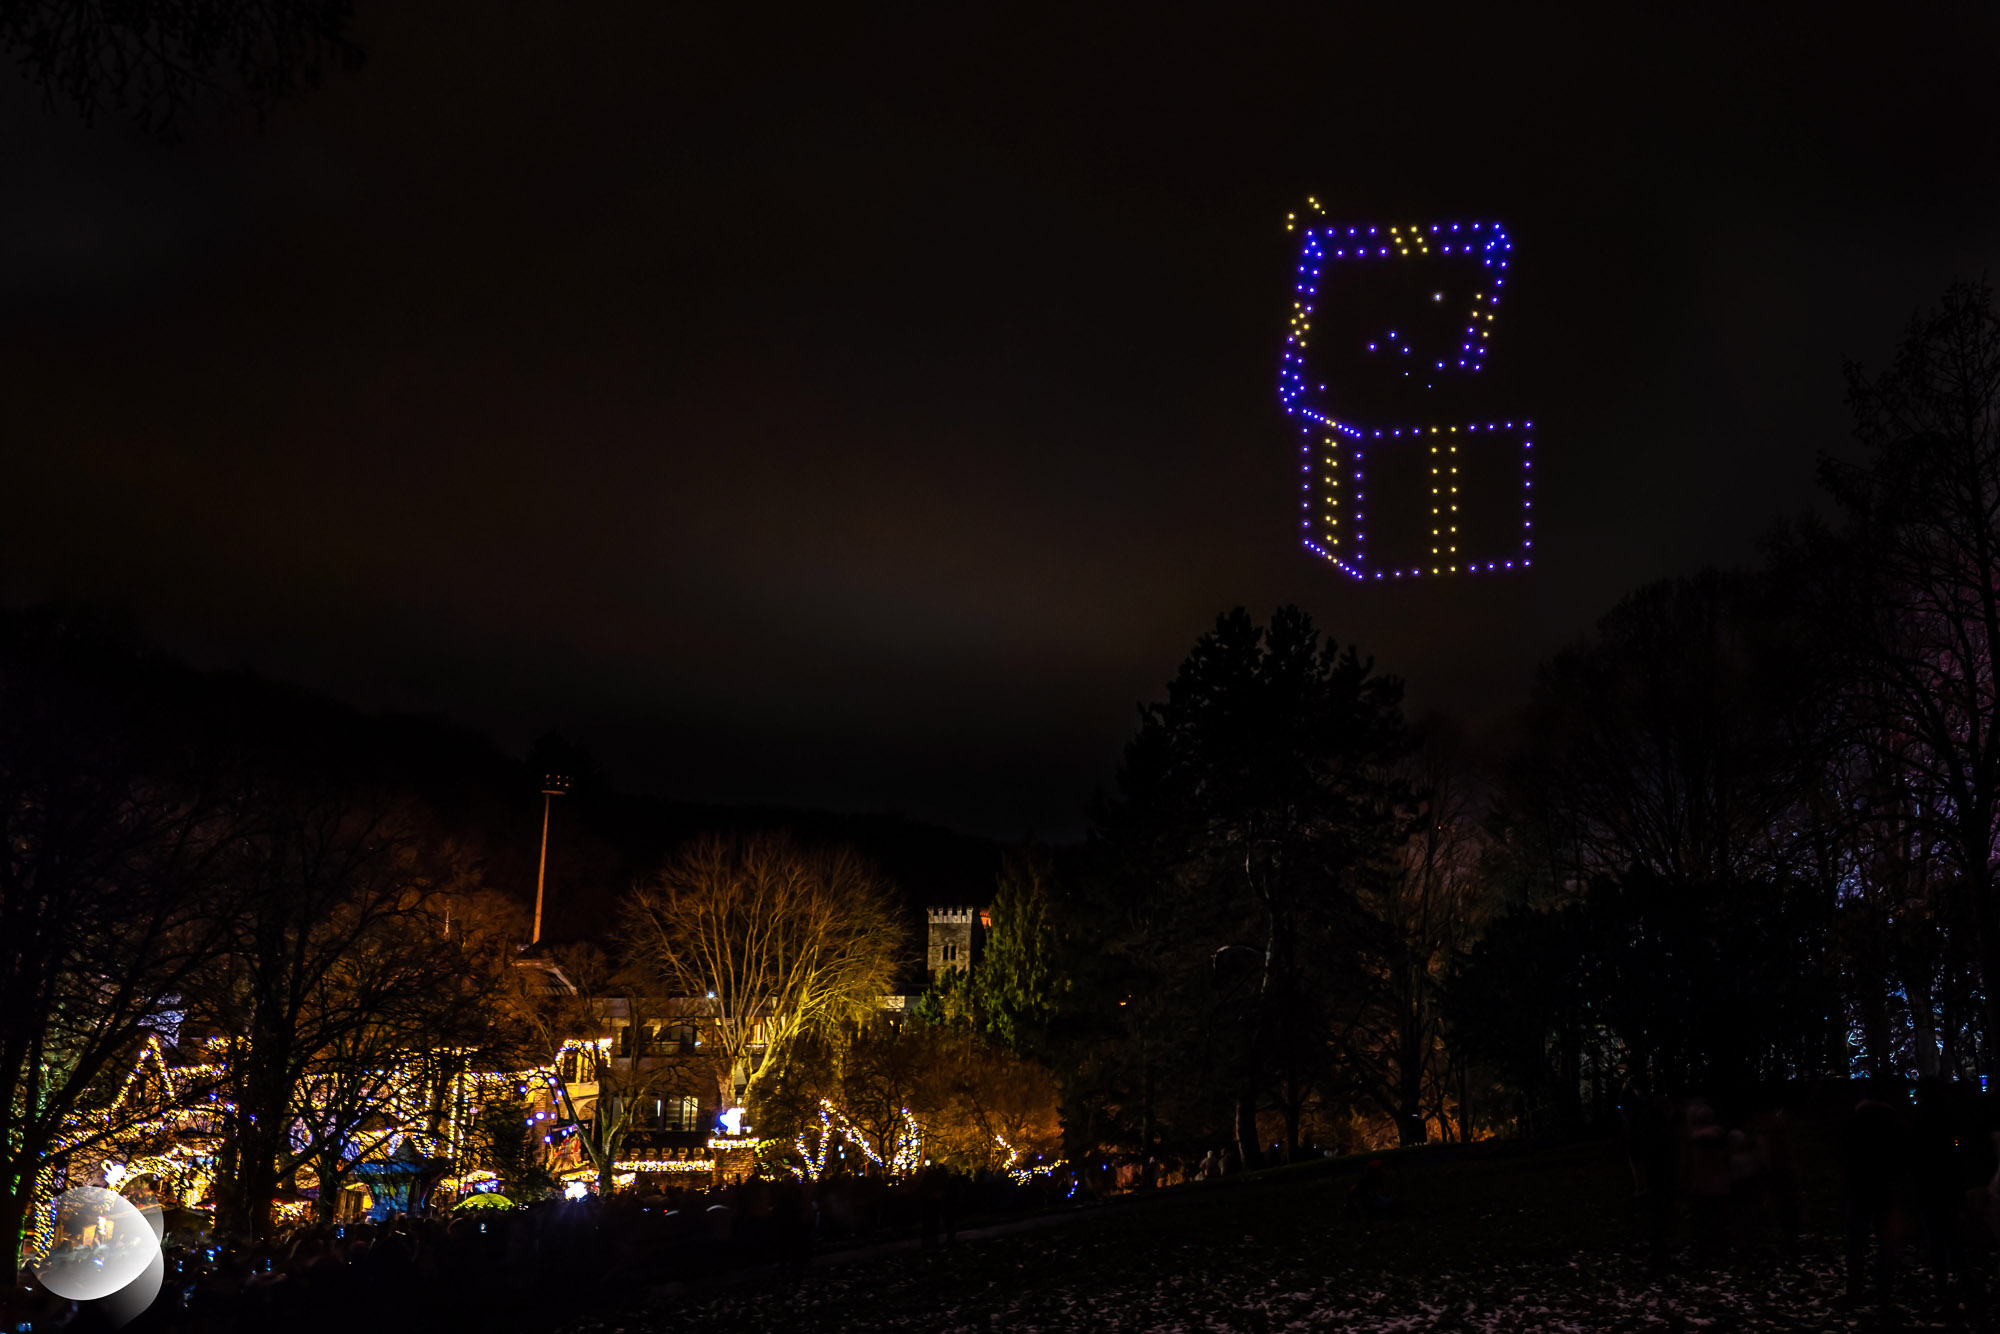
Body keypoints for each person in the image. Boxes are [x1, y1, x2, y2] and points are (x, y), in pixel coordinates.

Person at [1842, 1085, 1907, 1302]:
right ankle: (1884, 1287)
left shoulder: (1853, 1123)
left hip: (1859, 1188)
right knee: (1886, 1242)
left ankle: (1854, 1285)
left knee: (1855, 1241)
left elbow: (1844, 1156)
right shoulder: (1895, 1124)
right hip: (1886, 1190)